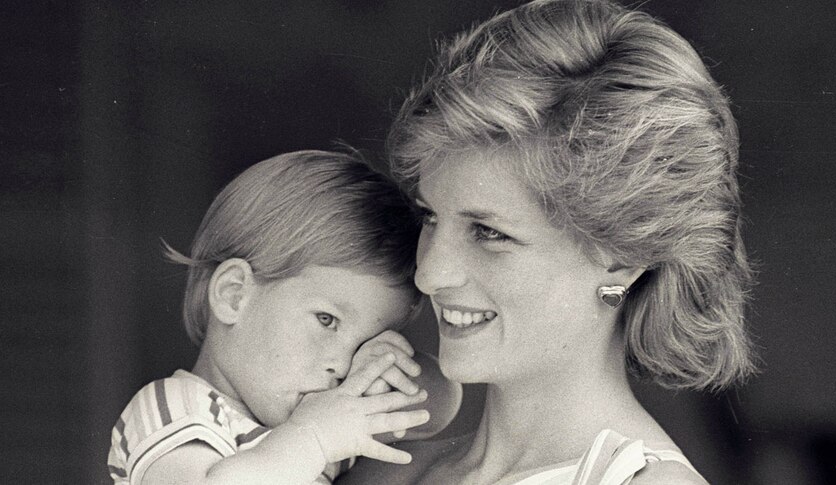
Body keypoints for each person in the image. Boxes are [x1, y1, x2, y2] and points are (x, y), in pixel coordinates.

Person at [339, 0, 756, 484]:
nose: (430, 274)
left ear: (621, 258)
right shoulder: (374, 470)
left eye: (490, 233)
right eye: (430, 217)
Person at [106, 150, 462, 485]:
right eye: (327, 320)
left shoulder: (318, 416)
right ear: (234, 295)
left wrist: (379, 369)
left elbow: (439, 405)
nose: (341, 365)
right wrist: (315, 439)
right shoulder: (174, 408)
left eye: (362, 344)